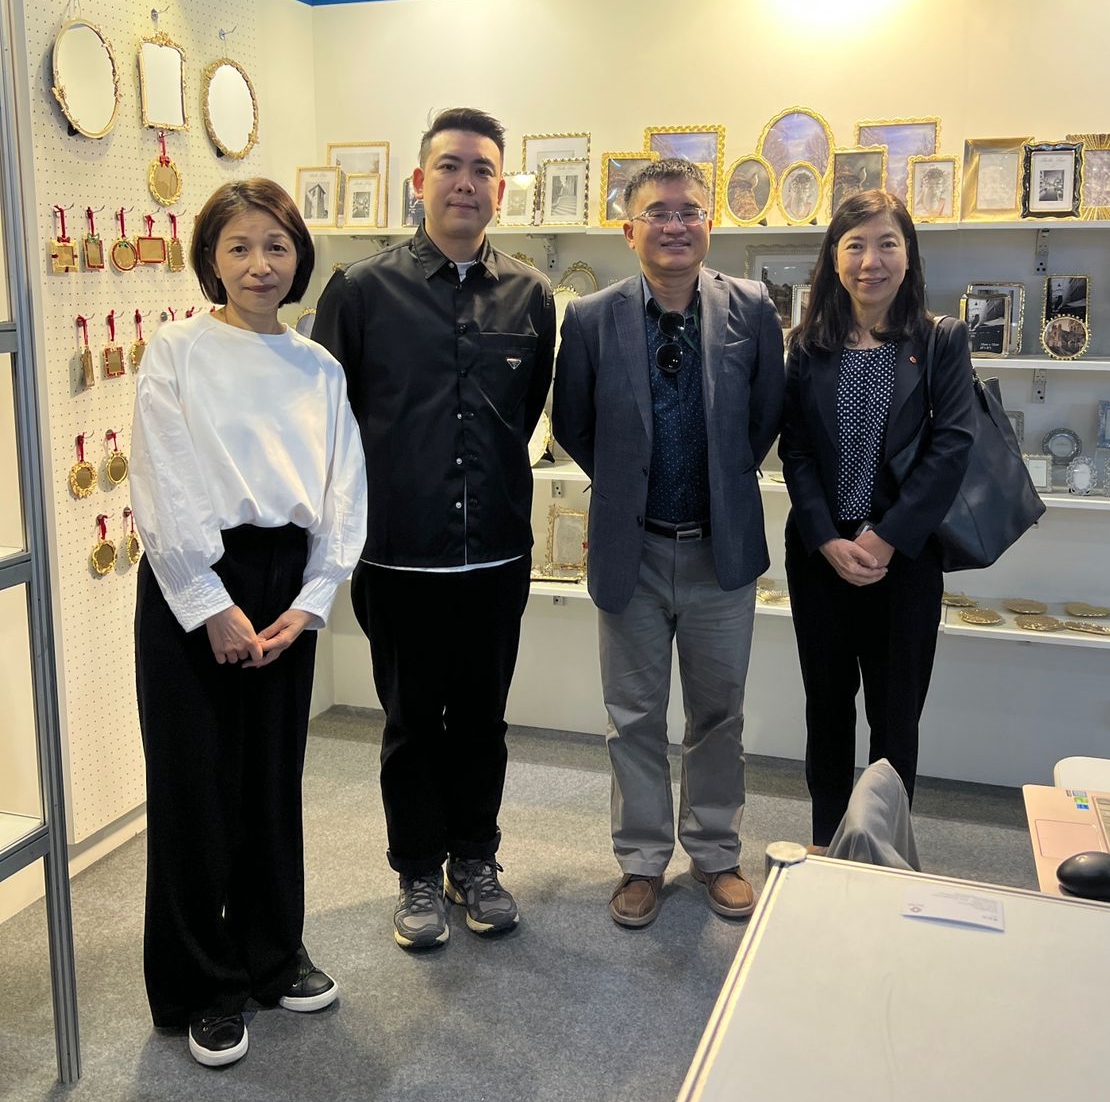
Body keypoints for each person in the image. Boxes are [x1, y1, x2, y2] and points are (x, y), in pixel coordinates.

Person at [130, 178, 367, 1067]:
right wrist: (208, 604)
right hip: (194, 577)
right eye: (239, 247)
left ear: (298, 256)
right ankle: (201, 984)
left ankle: (273, 954)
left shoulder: (319, 368)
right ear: (211, 259)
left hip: (285, 577)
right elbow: (163, 476)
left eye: (276, 245)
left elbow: (344, 489)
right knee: (194, 785)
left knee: (272, 776)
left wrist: (312, 599)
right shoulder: (177, 350)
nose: (260, 264)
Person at [312, 107, 555, 951]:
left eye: (482, 169)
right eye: (450, 166)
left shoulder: (531, 294)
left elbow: (525, 409)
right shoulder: (359, 291)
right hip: (399, 555)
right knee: (412, 724)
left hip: (496, 553)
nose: (465, 182)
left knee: (484, 720)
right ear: (419, 182)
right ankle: (416, 871)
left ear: (500, 189)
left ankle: (474, 861)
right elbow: (330, 422)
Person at [553, 159, 785, 928]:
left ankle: (716, 852)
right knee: (633, 716)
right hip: (636, 551)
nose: (675, 224)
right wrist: (628, 486)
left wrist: (719, 482)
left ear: (709, 224)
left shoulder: (752, 308)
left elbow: (765, 417)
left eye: (689, 211)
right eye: (658, 212)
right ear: (630, 229)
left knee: (719, 714)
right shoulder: (592, 318)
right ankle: (642, 860)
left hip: (722, 551)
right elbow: (574, 424)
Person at [778, 189, 974, 853]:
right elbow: (796, 451)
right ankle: (826, 843)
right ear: (834, 259)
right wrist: (827, 538)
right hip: (822, 561)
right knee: (826, 708)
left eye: (887, 243)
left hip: (905, 561)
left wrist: (886, 538)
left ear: (908, 254)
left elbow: (952, 448)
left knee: (896, 717)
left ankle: (882, 848)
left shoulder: (940, 340)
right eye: (855, 245)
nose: (872, 260)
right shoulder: (807, 346)